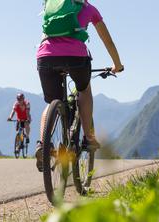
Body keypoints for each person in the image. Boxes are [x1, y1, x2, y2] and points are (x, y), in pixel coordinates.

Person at [35, 0, 124, 171]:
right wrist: (117, 65)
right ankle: (89, 137)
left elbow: (44, 35)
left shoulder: (52, 5)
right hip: (76, 58)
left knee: (52, 102)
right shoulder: (89, 8)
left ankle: (42, 144)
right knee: (84, 90)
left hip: (45, 57)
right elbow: (108, 41)